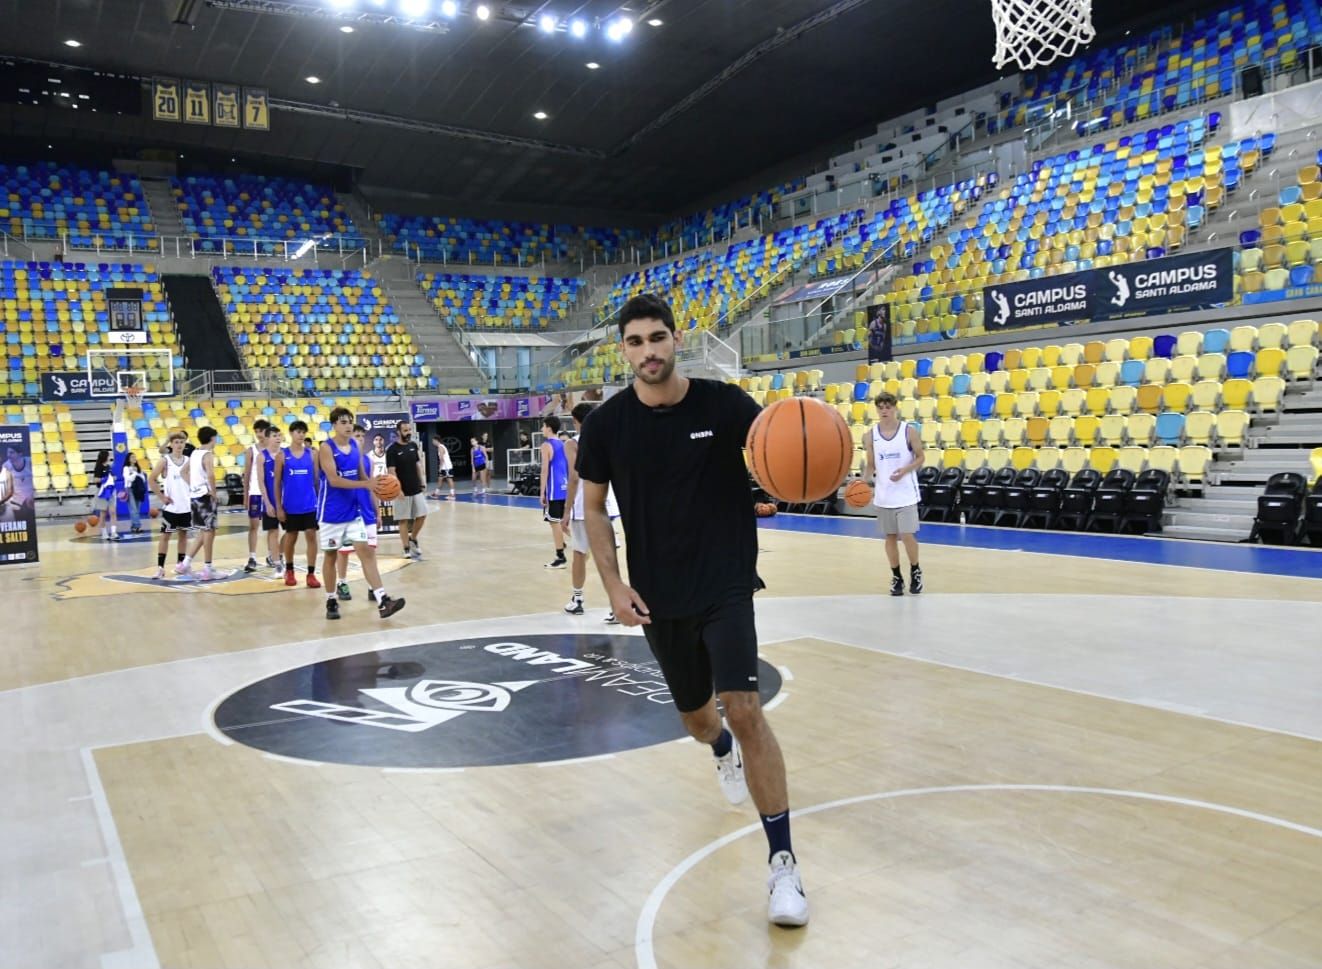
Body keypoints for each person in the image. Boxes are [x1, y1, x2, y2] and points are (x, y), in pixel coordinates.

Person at [576, 293, 808, 928]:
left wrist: (809, 476)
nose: (648, 351)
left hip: (727, 582)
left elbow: (778, 452)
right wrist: (614, 585)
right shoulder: (606, 425)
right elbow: (593, 509)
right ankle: (719, 747)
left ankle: (783, 864)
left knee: (748, 707)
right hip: (659, 595)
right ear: (621, 349)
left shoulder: (725, 404)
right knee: (702, 722)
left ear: (676, 340)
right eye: (635, 342)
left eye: (657, 338)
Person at [316, 407, 405, 621]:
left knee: (366, 553)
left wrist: (378, 487)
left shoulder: (356, 446)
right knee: (330, 556)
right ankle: (330, 599)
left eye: (350, 422)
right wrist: (366, 483)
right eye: (343, 422)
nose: (347, 426)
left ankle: (383, 600)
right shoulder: (326, 449)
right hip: (331, 512)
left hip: (354, 511)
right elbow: (334, 480)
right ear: (334, 425)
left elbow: (364, 476)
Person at [560, 401, 620, 623]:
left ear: (576, 422)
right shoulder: (609, 439)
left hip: (584, 505)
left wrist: (566, 510)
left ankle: (577, 600)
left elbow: (575, 476)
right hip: (609, 502)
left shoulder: (573, 443)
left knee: (579, 552)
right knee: (609, 555)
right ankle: (616, 604)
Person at [865, 391, 924, 596]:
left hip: (906, 493)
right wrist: (864, 482)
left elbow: (920, 458)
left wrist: (905, 470)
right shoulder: (870, 435)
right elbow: (871, 465)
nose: (884, 410)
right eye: (880, 407)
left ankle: (915, 570)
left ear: (895, 407)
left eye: (887, 406)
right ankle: (896, 576)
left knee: (907, 535)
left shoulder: (908, 432)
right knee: (889, 537)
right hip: (884, 495)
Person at [273, 420, 322, 588]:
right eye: (297, 432)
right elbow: (277, 483)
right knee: (291, 537)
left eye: (303, 432)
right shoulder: (282, 455)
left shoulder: (312, 454)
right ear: (291, 433)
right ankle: (290, 570)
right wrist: (278, 507)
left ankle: (311, 573)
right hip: (290, 505)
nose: (301, 435)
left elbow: (317, 481)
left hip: (309, 504)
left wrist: (320, 503)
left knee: (311, 535)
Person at [176, 426, 219, 581]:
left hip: (194, 496)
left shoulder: (194, 453)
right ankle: (207, 568)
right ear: (212, 438)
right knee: (209, 532)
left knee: (203, 531)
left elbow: (182, 472)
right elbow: (211, 475)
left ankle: (185, 563)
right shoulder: (207, 454)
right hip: (205, 497)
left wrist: (193, 485)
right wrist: (213, 492)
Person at [148, 430, 191, 579]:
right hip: (171, 508)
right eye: (176, 442)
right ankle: (160, 568)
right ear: (171, 444)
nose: (179, 445)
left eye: (181, 442)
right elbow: (151, 479)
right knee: (165, 536)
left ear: (185, 444)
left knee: (183, 535)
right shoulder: (165, 461)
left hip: (186, 506)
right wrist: (161, 497)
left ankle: (180, 566)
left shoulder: (189, 460)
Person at [386, 420, 426, 560]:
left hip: (416, 488)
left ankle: (413, 538)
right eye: (405, 430)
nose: (408, 432)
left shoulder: (413, 446)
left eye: (409, 430)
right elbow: (391, 471)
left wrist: (422, 482)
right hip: (401, 491)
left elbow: (417, 465)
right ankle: (406, 548)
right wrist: (398, 489)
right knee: (403, 520)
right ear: (398, 432)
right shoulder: (392, 450)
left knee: (422, 515)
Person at [540, 414, 570, 569]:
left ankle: (560, 557)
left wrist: (542, 492)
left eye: (543, 426)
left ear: (549, 428)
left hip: (553, 490)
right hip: (565, 488)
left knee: (554, 522)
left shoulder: (546, 445)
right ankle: (582, 544)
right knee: (562, 523)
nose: (541, 429)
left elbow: (544, 470)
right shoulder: (564, 444)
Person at [242, 418, 272, 573]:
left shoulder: (276, 450)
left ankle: (271, 555)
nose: (259, 434)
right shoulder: (251, 450)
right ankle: (252, 557)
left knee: (272, 527)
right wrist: (245, 495)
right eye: (256, 432)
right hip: (255, 491)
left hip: (271, 493)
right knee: (253, 526)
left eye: (261, 431)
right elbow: (247, 474)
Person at [255, 424, 285, 571]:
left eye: (279, 435)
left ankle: (279, 554)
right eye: (274, 436)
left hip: (286, 500)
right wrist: (267, 503)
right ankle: (276, 562)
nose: (278, 438)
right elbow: (261, 481)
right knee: (273, 531)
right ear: (267, 438)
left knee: (291, 531)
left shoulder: (286, 454)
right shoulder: (262, 457)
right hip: (270, 500)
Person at [0, 444, 35, 524]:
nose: (8, 455)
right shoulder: (6, 466)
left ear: (20, 454)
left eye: (12, 452)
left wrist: (32, 495)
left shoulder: (29, 462)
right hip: (15, 502)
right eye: (8, 453)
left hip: (31, 499)